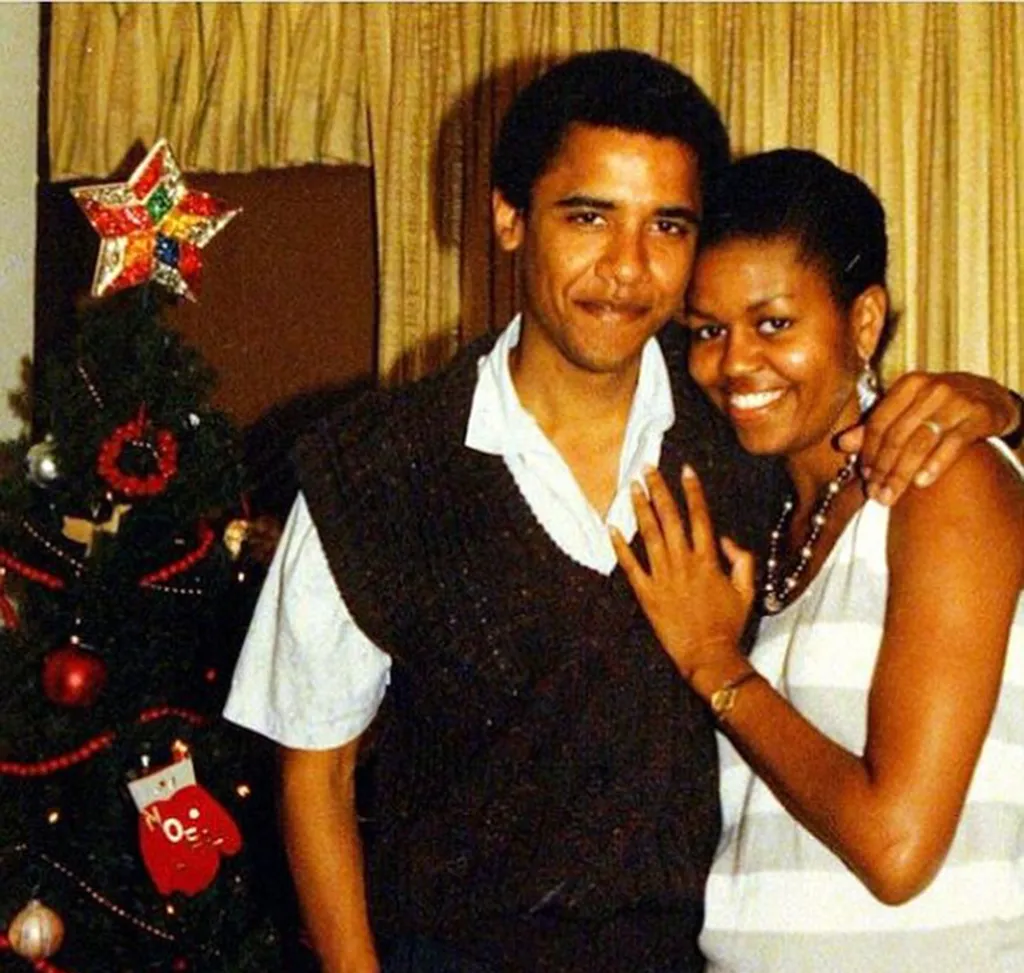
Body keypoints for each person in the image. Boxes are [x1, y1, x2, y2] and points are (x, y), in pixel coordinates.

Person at [224, 51, 1022, 973]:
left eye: (667, 226)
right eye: (589, 217)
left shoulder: (741, 429)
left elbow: (917, 486)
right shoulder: (373, 466)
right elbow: (313, 771)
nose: (628, 269)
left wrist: (998, 405)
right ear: (509, 218)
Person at [613, 148, 1024, 972]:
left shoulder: (945, 481)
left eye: (774, 323)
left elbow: (896, 846)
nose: (733, 363)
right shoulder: (775, 510)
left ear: (863, 323)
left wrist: (713, 664)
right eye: (708, 331)